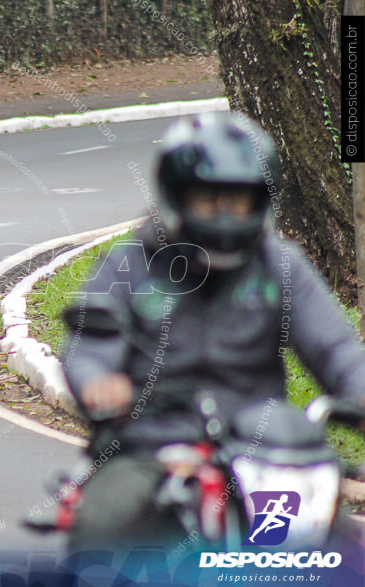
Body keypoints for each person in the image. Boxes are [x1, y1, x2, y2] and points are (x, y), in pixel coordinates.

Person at [60, 111, 365, 545]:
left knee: (337, 544)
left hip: (264, 448)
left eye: (238, 202)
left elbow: (335, 346)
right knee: (101, 526)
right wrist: (98, 382)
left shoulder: (280, 264)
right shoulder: (128, 264)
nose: (224, 215)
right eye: (209, 200)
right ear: (176, 196)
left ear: (261, 201)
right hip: (151, 445)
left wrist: (359, 388)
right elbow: (90, 342)